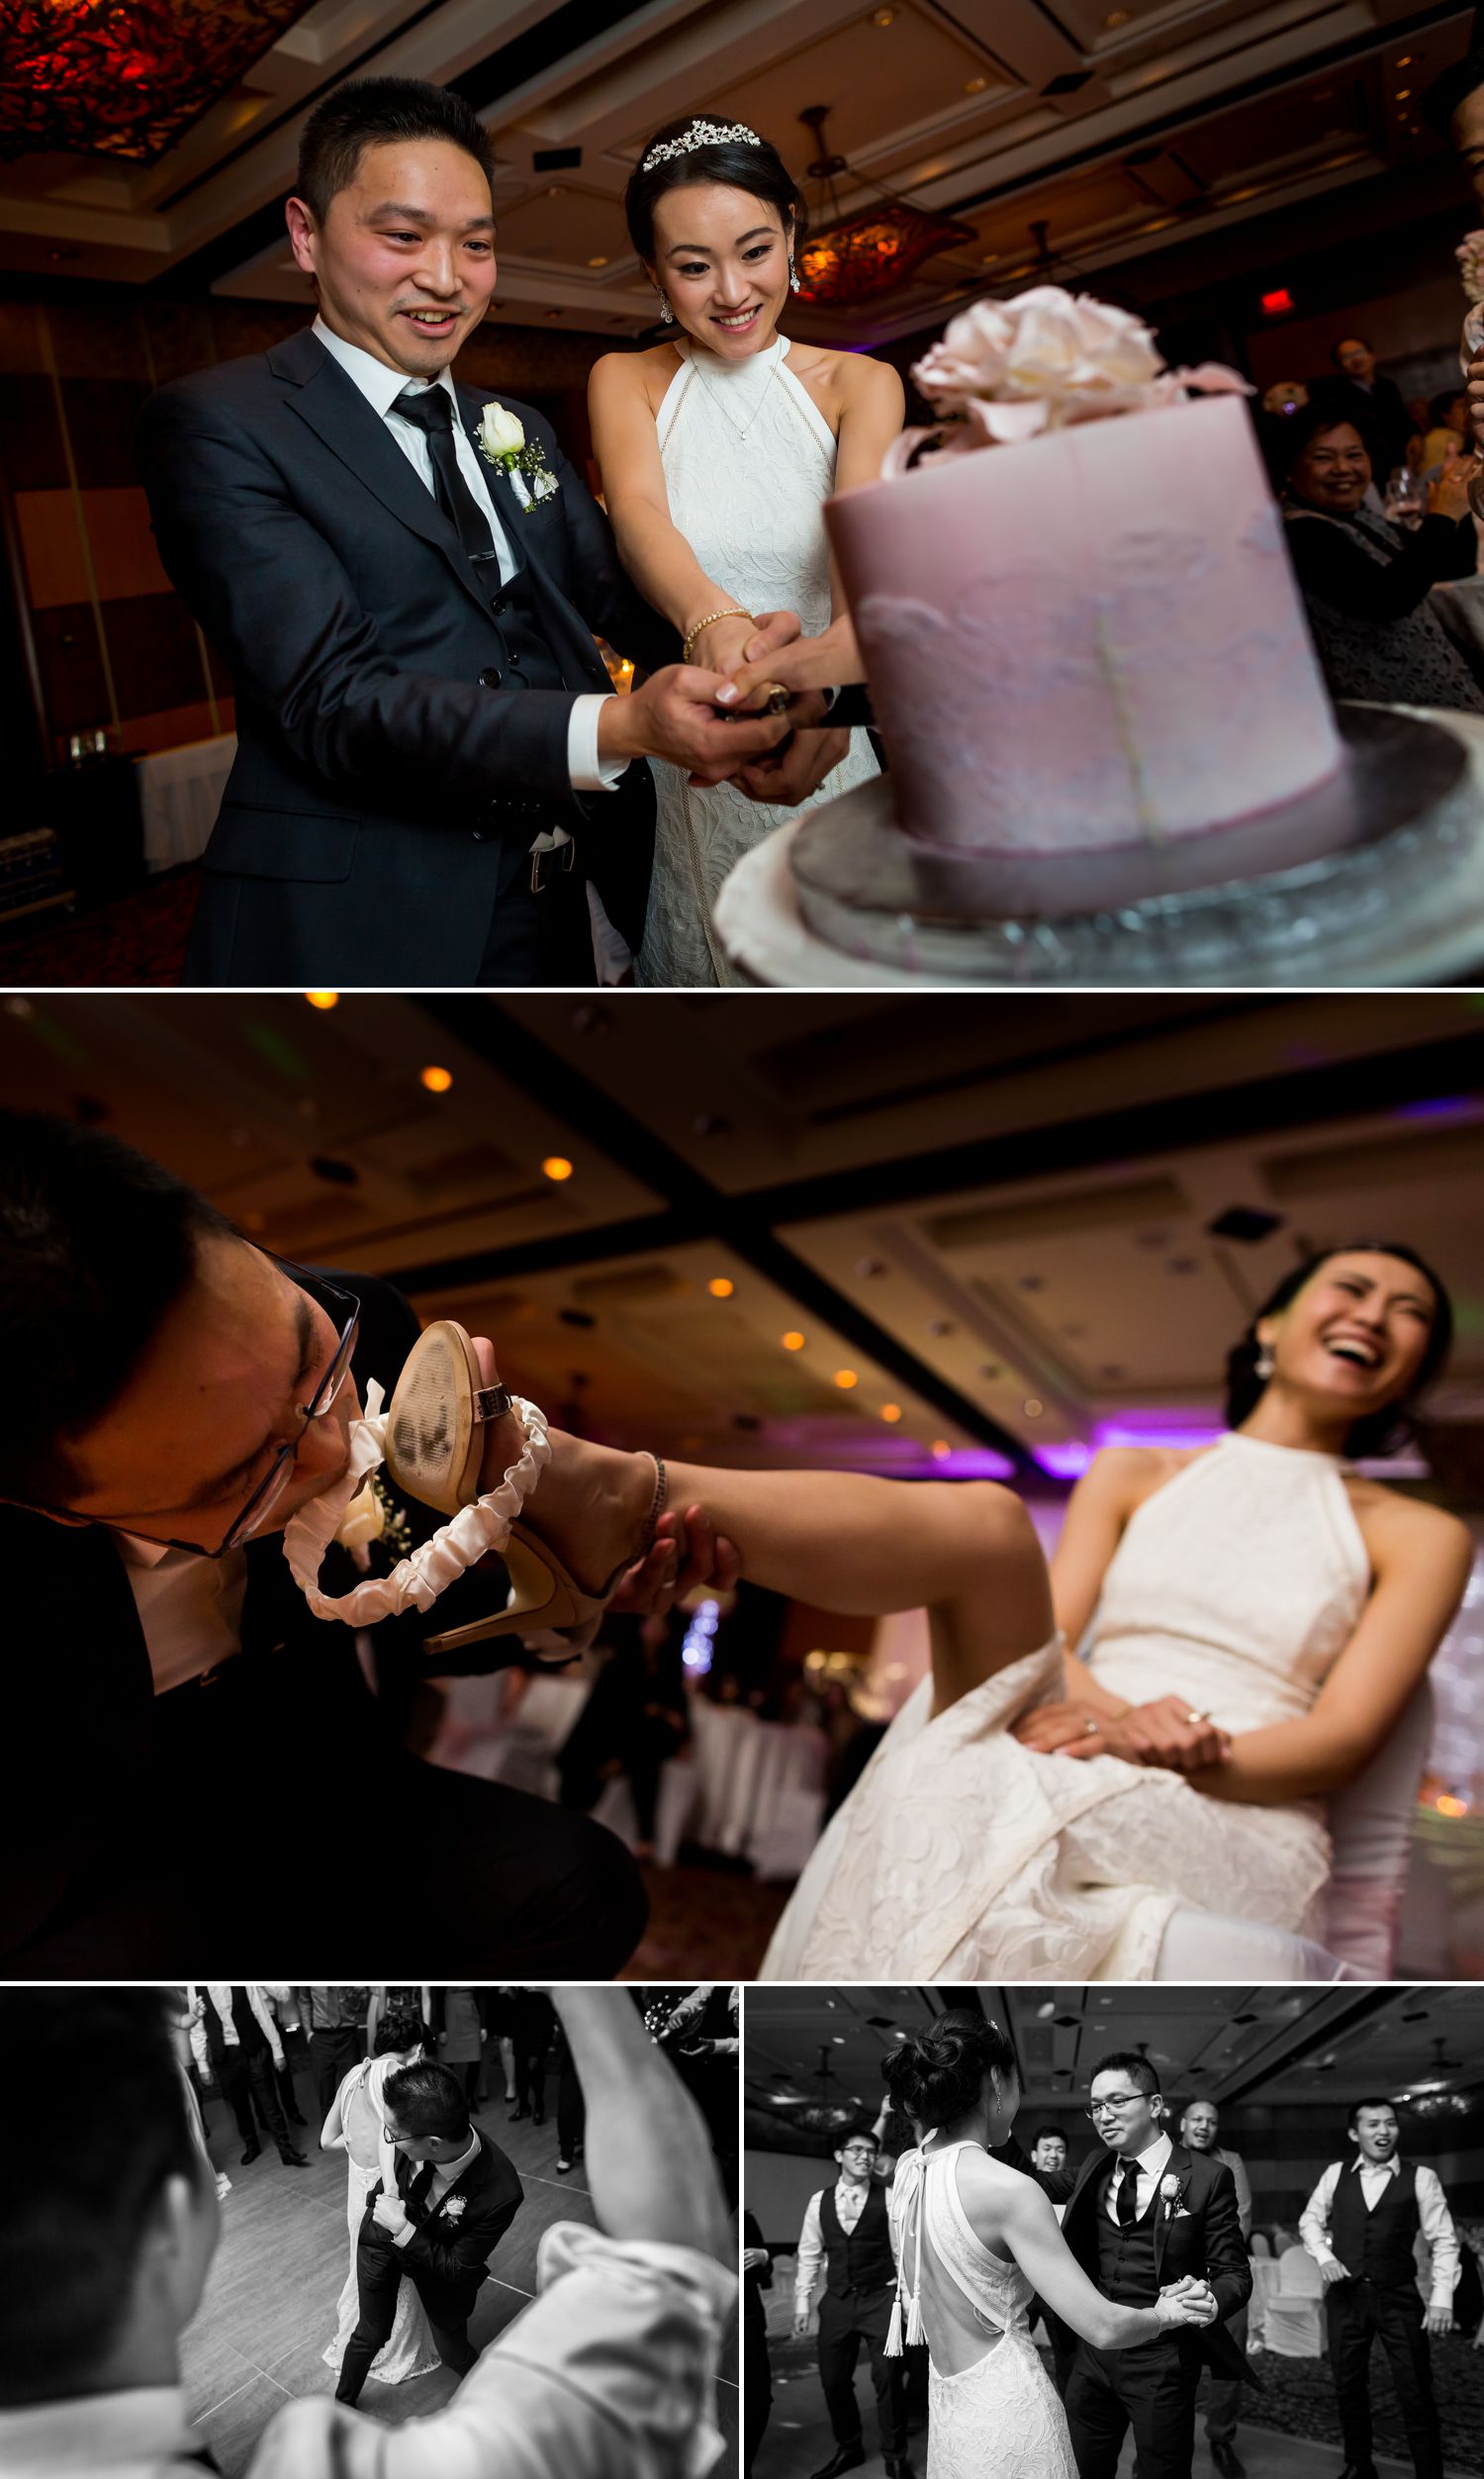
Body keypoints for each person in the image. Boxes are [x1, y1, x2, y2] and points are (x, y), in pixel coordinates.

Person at [0, 1111, 724, 1973]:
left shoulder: (367, 1318)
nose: (338, 1447)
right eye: (242, 1477)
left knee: (584, 1885)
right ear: (54, 1509)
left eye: (312, 1360)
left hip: (318, 1755)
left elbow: (408, 1595)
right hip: (75, 1837)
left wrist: (575, 1585)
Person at [134, 77, 816, 991]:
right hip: (359, 919)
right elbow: (332, 701)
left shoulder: (516, 429)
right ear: (306, 234)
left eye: (477, 244)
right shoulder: (223, 423)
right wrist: (619, 726)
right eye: (403, 236)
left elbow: (623, 599)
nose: (447, 278)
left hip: (561, 904)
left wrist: (766, 689)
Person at [0, 1985, 736, 2478]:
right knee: (369, 2328)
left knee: (445, 2336)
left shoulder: (495, 2179)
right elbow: (676, 2256)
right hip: (381, 2241)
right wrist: (584, 1984)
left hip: (430, 2260)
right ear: (174, 2226)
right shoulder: (322, 2459)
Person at [590, 115, 900, 985]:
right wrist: (711, 620)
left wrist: (827, 688)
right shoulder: (627, 379)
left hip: (826, 734)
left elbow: (858, 542)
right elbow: (641, 515)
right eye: (693, 267)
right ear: (654, 274)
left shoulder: (861, 383)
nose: (731, 291)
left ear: (794, 235)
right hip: (696, 737)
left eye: (755, 250)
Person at [880, 2017, 1219, 2479]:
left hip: (951, 2404)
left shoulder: (908, 2170)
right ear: (997, 2082)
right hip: (1008, 2409)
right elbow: (1101, 2326)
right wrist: (1167, 2313)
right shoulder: (1009, 2190)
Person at [332, 2056, 522, 2407]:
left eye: (394, 2134)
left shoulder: (500, 2192)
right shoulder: (413, 2121)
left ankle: (497, 2404)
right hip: (380, 2237)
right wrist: (389, 2192)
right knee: (370, 2334)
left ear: (433, 2143)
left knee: (453, 2350)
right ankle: (342, 2404)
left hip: (438, 2268)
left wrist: (403, 2228)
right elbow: (387, 2138)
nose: (387, 2138)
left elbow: (457, 2268)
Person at [1275, 405, 1484, 710]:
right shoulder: (1299, 532)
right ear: (1289, 470)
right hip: (1388, 710)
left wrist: (1458, 502)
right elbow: (1388, 598)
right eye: (1323, 457)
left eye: (1354, 455)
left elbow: (1453, 566)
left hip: (1437, 692)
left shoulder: (1360, 518)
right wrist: (1441, 516)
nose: (1343, 468)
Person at [1299, 2097, 1461, 2479]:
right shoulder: (1335, 2173)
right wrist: (1324, 2256)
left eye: (1390, 2123)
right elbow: (1309, 2220)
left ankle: (1428, 2471)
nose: (1383, 2131)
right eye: (1373, 2124)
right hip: (1345, 2298)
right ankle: (1358, 2464)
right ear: (1355, 2133)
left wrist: (1442, 2299)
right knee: (1348, 2386)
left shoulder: (1421, 2177)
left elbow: (1446, 2241)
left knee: (1415, 2388)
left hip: (1399, 2296)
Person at [321, 2005, 439, 2388]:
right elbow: (394, 2136)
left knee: (365, 2272)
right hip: (381, 2192)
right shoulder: (396, 2073)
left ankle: (357, 2344)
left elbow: (326, 2140)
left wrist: (355, 2143)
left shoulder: (356, 2073)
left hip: (357, 2190)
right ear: (417, 2049)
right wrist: (391, 2186)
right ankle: (389, 2352)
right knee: (395, 2277)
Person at [792, 2129, 911, 2479]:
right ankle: (849, 2447)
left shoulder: (888, 2198)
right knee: (833, 2381)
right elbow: (809, 2253)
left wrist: (903, 2300)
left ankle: (895, 2455)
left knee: (888, 2378)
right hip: (838, 2302)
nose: (865, 2156)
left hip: (881, 2298)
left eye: (871, 2151)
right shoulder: (818, 2202)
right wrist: (802, 2302)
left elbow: (900, 2252)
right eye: (856, 2150)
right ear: (838, 2155)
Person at [1178, 2101, 1252, 2477]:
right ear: (1183, 2123)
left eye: (1212, 2121)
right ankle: (1164, 2442)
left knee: (1228, 2365)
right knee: (1172, 2366)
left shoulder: (1230, 2161)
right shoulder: (1168, 2157)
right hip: (1177, 2281)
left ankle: (1221, 2439)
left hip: (1225, 2278)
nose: (1205, 2126)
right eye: (1198, 2120)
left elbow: (1241, 2217)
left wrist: (1218, 2276)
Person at [193, 1985, 310, 2172]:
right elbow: (197, 2027)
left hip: (253, 2048)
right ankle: (251, 2146)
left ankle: (286, 2150)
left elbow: (261, 2012)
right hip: (225, 2054)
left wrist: (277, 2048)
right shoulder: (195, 1986)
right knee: (239, 2105)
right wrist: (202, 2063)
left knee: (269, 2101)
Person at [1326, 338, 1415, 478]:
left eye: (1358, 352)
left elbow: (1401, 418)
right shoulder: (1337, 396)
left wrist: (1415, 437)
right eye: (1347, 356)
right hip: (1369, 466)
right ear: (1339, 366)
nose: (1355, 359)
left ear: (1372, 357)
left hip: (1401, 460)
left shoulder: (1388, 386)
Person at [743, 2209, 774, 2474]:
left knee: (760, 2397)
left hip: (748, 2317)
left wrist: (763, 2257)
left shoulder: (746, 2219)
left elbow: (765, 2275)